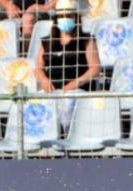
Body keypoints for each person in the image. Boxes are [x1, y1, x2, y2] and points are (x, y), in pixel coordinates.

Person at [33, 0, 100, 130]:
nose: (65, 19)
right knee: (37, 104)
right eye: (61, 16)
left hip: (77, 89)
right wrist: (44, 80)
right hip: (52, 90)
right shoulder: (47, 42)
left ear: (76, 17)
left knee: (68, 104)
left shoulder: (86, 40)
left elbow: (95, 68)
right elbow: (38, 68)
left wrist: (74, 84)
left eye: (69, 16)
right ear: (56, 19)